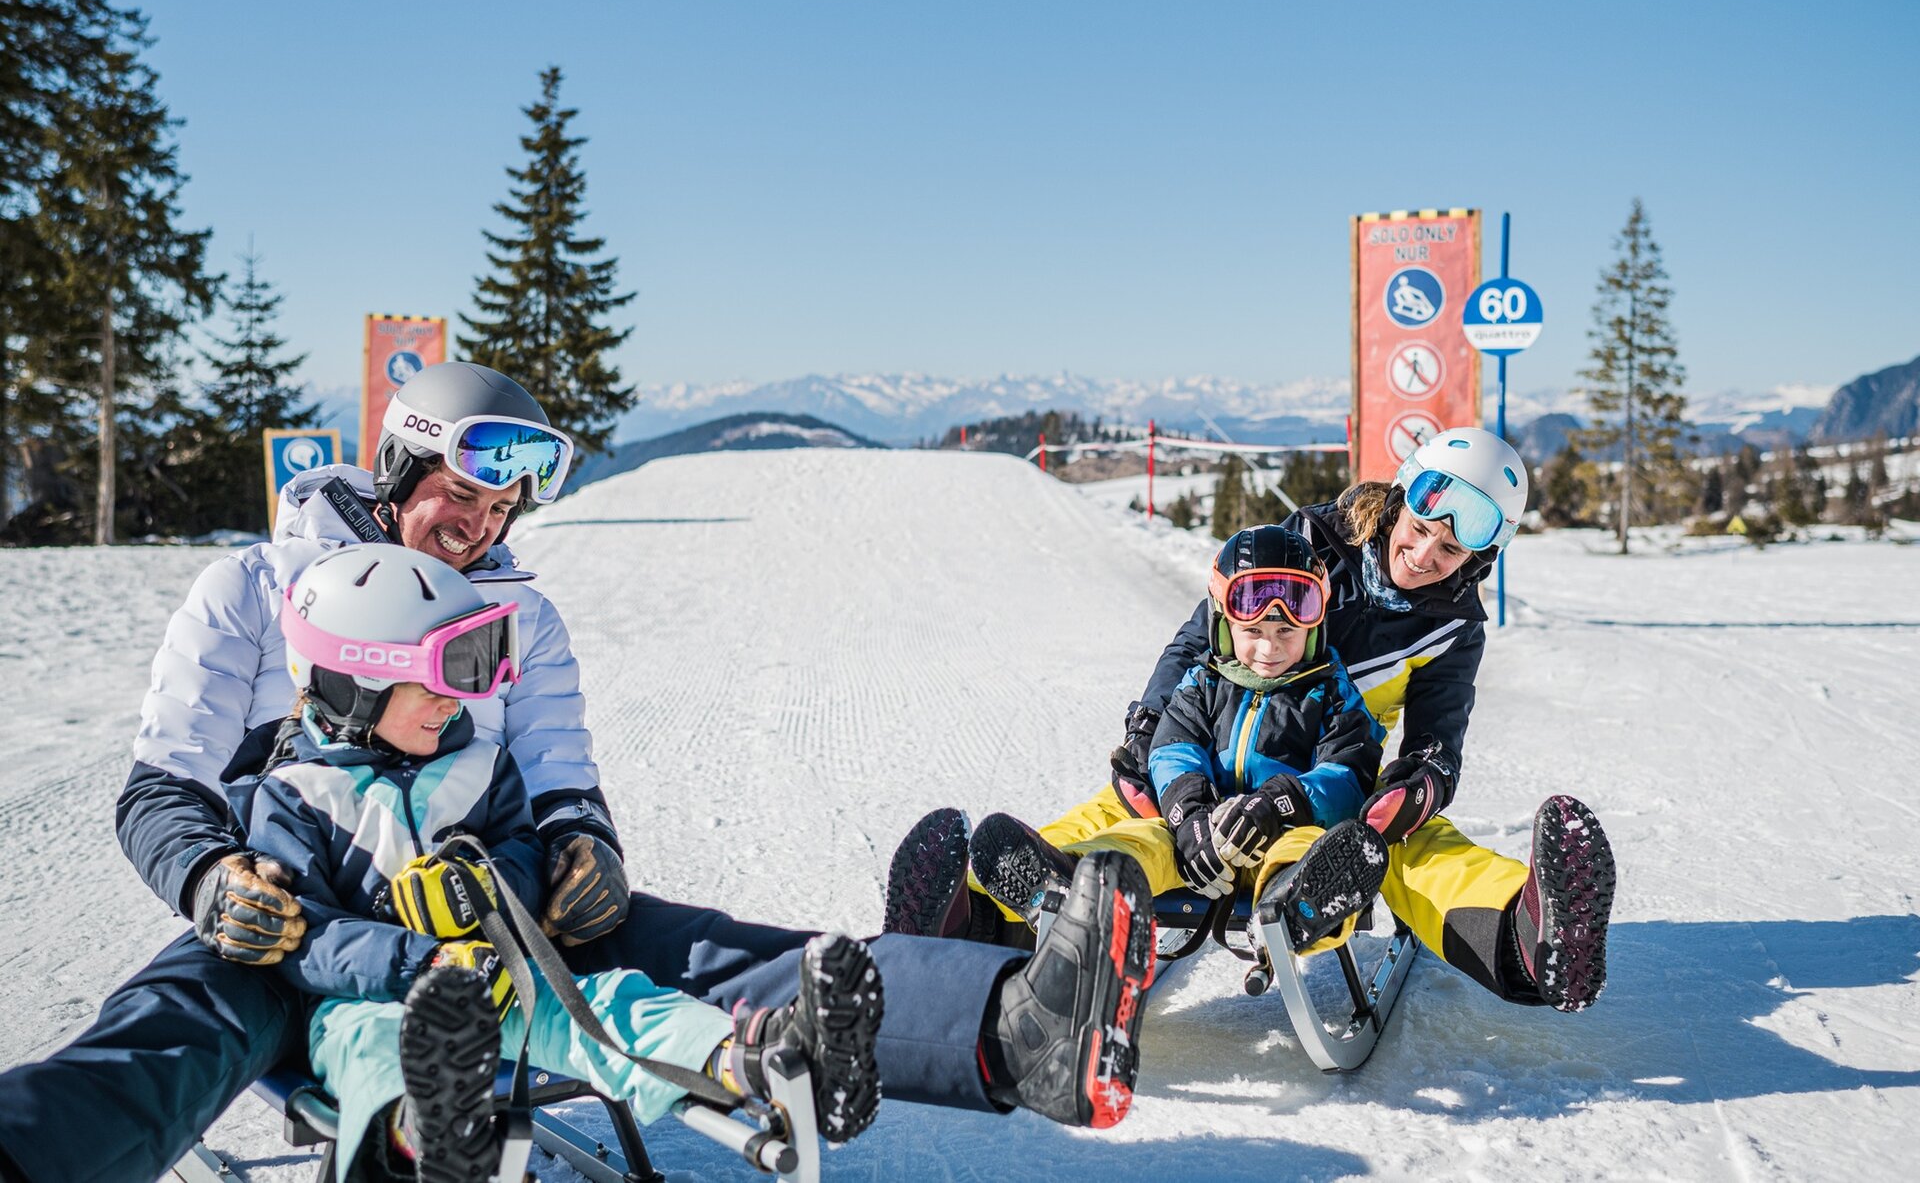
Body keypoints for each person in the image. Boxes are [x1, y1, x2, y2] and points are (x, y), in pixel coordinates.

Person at [0, 363, 1150, 1183]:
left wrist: (582, 845)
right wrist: (208, 879)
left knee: (698, 950)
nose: (478, 526)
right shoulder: (251, 591)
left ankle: (1015, 1029)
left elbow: (555, 772)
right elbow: (160, 787)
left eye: (502, 506)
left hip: (477, 890)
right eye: (461, 494)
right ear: (401, 467)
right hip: (292, 904)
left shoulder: (519, 612)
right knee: (178, 1020)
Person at [889, 428, 1616, 1016]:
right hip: (1208, 761)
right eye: (1421, 527)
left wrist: (1408, 794)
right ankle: (981, 912)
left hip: (1331, 780)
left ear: (1479, 559)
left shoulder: (1452, 627)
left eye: (1451, 548)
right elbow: (1195, 645)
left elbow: (1434, 741)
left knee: (1405, 846)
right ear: (1399, 498)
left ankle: (1527, 933)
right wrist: (1151, 736)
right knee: (1126, 821)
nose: (1424, 555)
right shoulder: (1304, 548)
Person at [238, 543, 884, 1180]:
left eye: (476, 671)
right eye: (442, 678)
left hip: (503, 978)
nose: (459, 699)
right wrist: (422, 963)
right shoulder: (296, 797)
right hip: (364, 1002)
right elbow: (306, 933)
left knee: (612, 1005)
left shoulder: (478, 766)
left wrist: (485, 888)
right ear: (355, 682)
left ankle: (769, 1057)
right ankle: (428, 1134)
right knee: (375, 1048)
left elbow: (524, 849)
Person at [954, 525, 1397, 957]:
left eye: (1286, 633)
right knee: (1144, 839)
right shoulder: (1203, 683)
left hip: (1281, 835)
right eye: (1254, 633)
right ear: (1224, 627)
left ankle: (1294, 910)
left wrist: (1278, 804)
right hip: (1197, 842)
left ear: (1313, 630)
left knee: (1303, 852)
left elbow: (1348, 773)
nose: (1269, 649)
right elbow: (1172, 749)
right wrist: (1190, 817)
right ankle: (1075, 882)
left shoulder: (1333, 694)